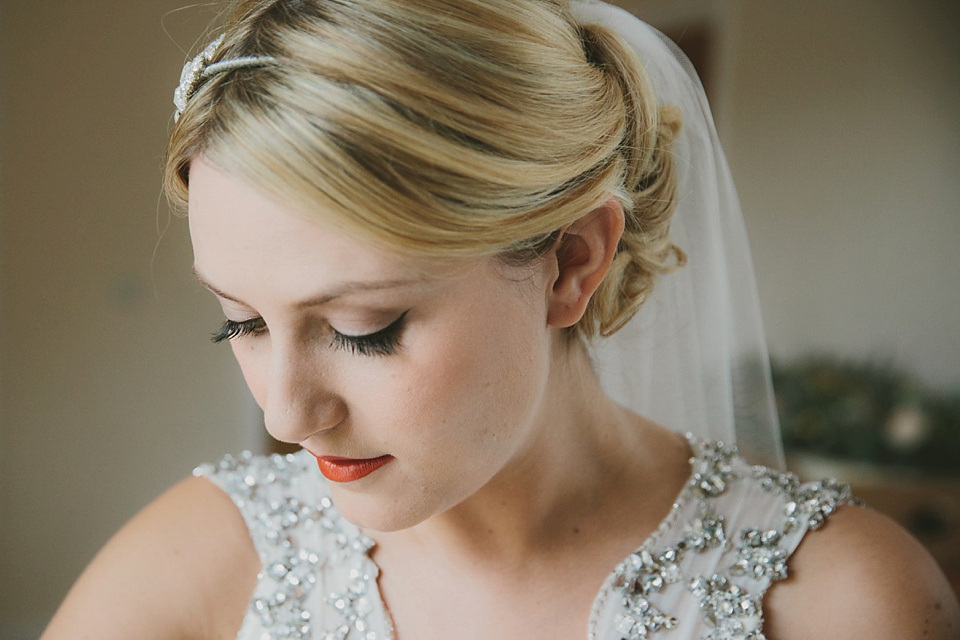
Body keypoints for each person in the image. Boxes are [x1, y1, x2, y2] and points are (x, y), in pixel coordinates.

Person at [43, 0, 959, 638]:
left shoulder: (840, 604)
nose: (286, 417)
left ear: (571, 263)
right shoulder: (202, 558)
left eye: (365, 328)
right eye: (238, 324)